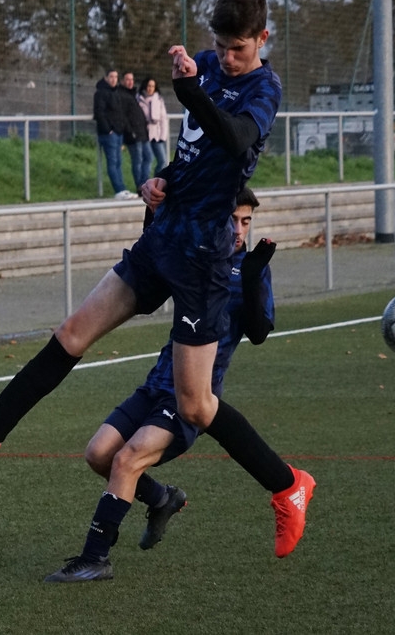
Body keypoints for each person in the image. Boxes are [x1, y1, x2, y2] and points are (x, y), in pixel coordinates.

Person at [0, 0, 282, 479]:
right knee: (72, 332)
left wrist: (190, 91)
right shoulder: (207, 66)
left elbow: (236, 141)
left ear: (262, 38)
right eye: (220, 46)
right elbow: (193, 153)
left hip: (202, 256)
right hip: (164, 237)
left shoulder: (264, 89)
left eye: (238, 48)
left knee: (195, 407)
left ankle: (287, 483)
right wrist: (162, 181)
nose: (228, 57)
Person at [44, 188, 315, 582]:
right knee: (99, 454)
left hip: (192, 396)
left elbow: (257, 333)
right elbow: (154, 258)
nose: (240, 230)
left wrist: (252, 279)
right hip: (157, 382)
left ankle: (94, 558)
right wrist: (153, 207)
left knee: (127, 459)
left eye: (246, 221)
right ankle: (162, 498)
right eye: (232, 220)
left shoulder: (250, 268)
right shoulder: (197, 256)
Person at [93, 69, 135, 199]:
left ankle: (122, 189)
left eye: (116, 77)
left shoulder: (116, 92)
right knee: (112, 162)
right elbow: (99, 113)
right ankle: (119, 190)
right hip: (109, 134)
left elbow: (119, 113)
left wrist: (121, 129)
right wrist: (108, 130)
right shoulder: (101, 93)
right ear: (106, 78)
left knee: (118, 162)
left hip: (118, 132)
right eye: (111, 77)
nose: (114, 79)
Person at [118, 71, 152, 193]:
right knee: (137, 160)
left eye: (132, 79)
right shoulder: (121, 95)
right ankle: (140, 186)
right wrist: (130, 132)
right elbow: (123, 116)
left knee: (148, 157)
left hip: (142, 133)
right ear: (122, 81)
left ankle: (144, 182)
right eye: (127, 79)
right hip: (133, 135)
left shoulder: (133, 95)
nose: (130, 82)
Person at [138, 77, 169, 175]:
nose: (150, 88)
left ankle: (156, 179)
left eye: (152, 86)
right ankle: (144, 181)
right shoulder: (139, 99)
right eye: (148, 86)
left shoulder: (159, 99)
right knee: (148, 159)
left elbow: (163, 119)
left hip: (157, 135)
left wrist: (163, 136)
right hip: (144, 134)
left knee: (162, 160)